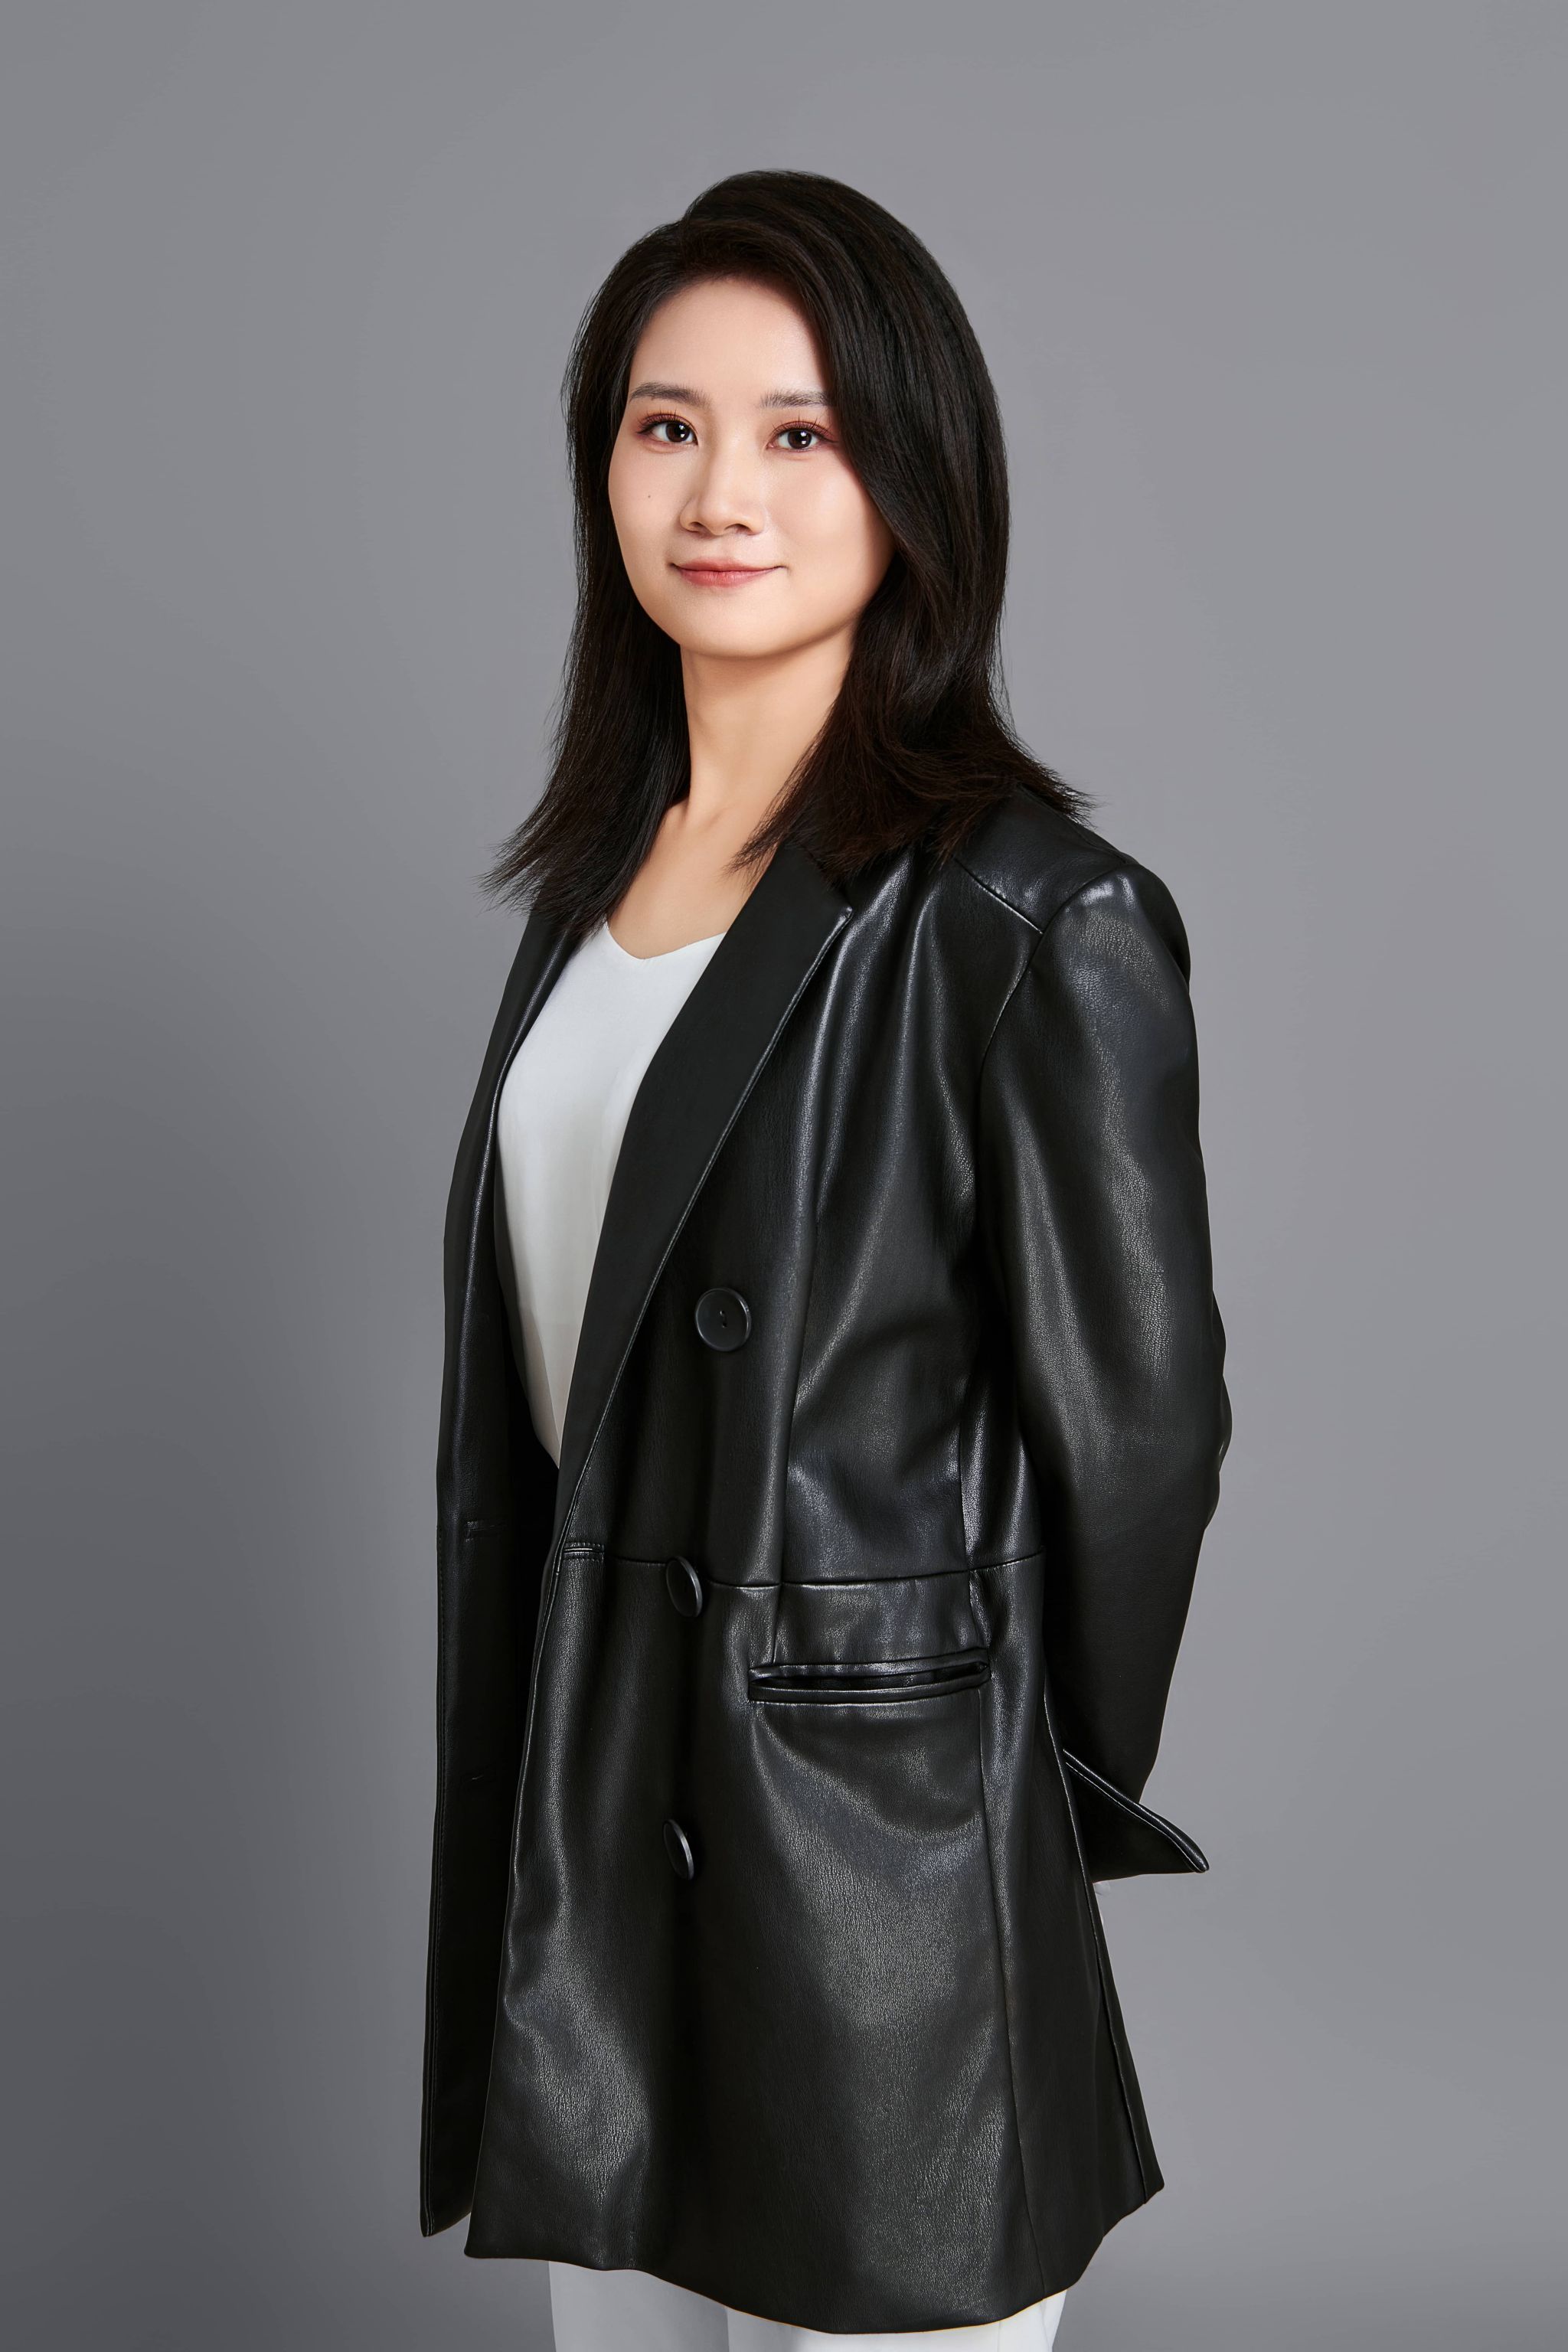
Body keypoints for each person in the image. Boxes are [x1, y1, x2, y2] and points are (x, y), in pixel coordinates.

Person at [420, 169, 1230, 2352]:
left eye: (802, 432)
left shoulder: (1027, 918)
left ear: (916, 480)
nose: (721, 494)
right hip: (606, 1841)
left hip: (878, 1872)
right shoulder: (587, 898)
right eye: (665, 426)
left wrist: (976, 1772)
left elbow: (1141, 1444)